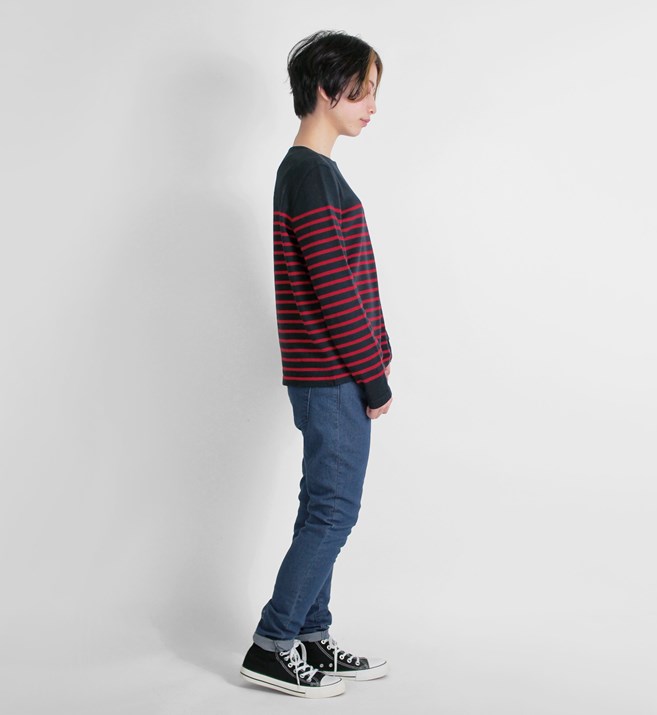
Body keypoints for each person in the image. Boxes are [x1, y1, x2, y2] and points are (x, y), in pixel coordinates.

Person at [239, 30, 393, 699]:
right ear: (328, 90)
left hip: (328, 374)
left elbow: (340, 283)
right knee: (333, 512)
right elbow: (336, 292)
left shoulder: (309, 172)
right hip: (333, 376)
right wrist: (373, 376)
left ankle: (309, 632)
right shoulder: (309, 174)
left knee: (320, 509)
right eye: (363, 92)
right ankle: (273, 642)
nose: (371, 107)